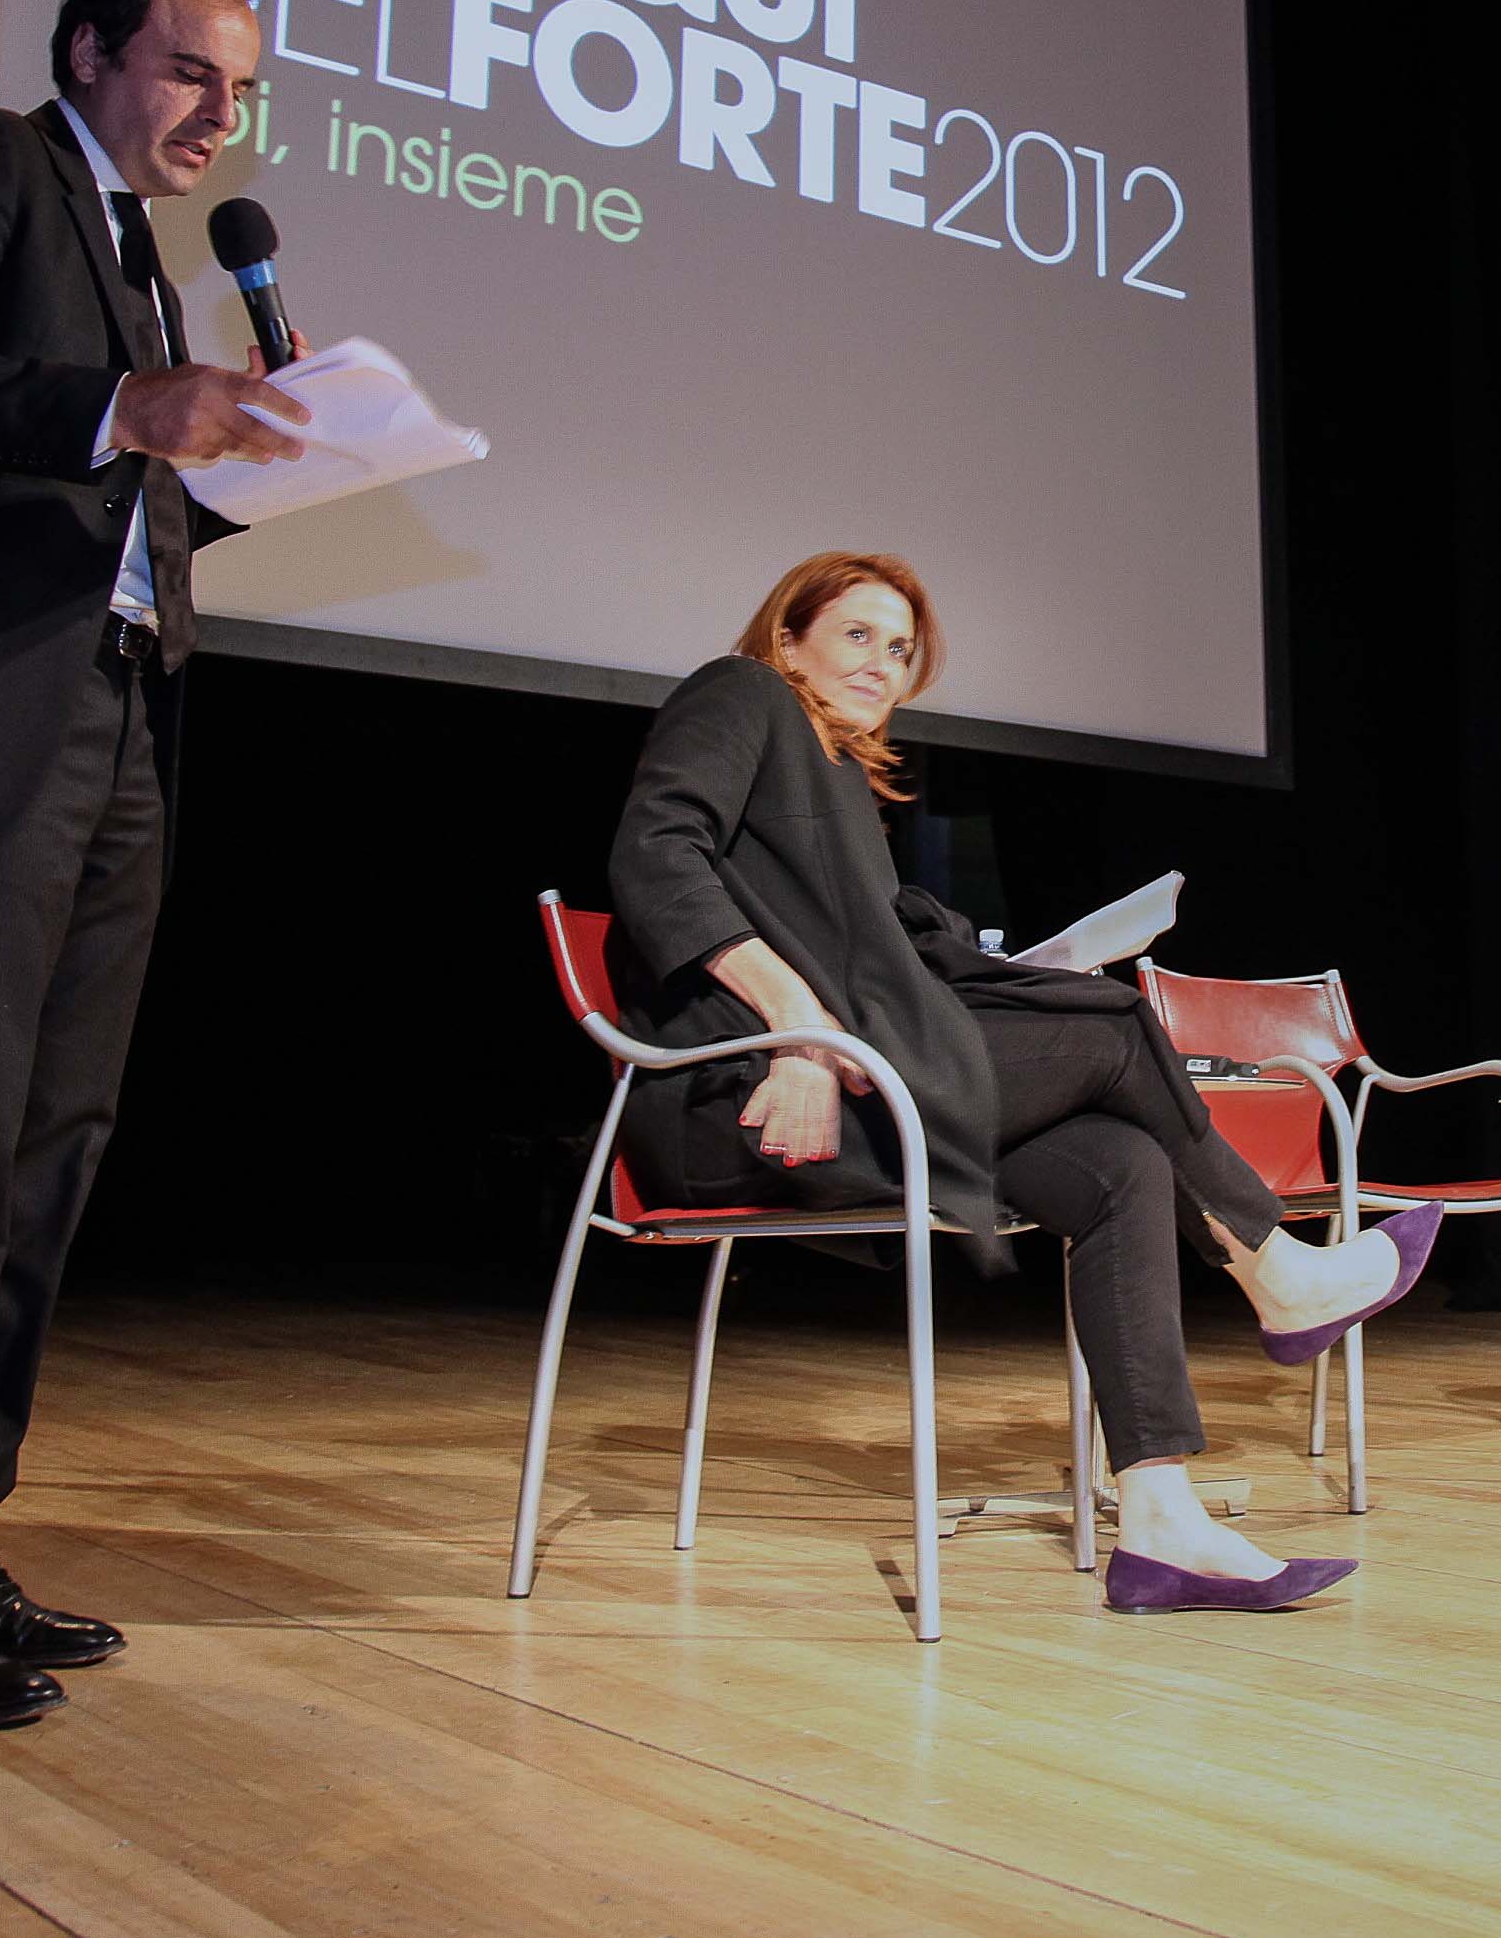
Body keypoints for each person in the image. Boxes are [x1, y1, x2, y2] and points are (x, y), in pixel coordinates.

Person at [605, 551, 1435, 1612]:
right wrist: (797, 1026)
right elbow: (657, 854)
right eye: (856, 633)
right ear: (788, 639)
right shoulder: (739, 691)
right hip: (749, 1100)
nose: (882, 661)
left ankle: (1162, 1524)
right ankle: (1278, 1270)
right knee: (1119, 1029)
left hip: (870, 1090)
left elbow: (893, 951)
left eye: (900, 648)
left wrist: (1033, 973)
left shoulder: (840, 784)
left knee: (1122, 1162)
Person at [0, 0, 313, 1728]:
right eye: (190, 72)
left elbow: (112, 505)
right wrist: (123, 409)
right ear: (94, 50)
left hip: (121, 722)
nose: (217, 115)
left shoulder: (151, 266)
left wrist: (241, 465)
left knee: (50, 1148)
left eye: (240, 92)